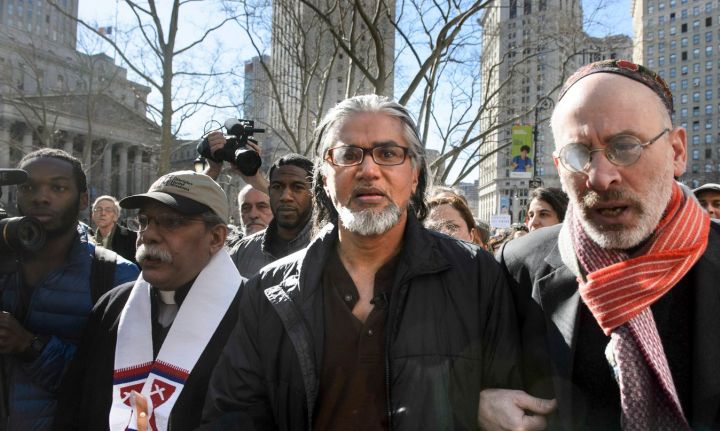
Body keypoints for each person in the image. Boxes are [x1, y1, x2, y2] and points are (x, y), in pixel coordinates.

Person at [202, 95, 552, 430]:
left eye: (387, 153)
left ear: (414, 174)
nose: (368, 170)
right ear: (324, 175)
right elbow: (233, 414)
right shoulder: (268, 290)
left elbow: (506, 405)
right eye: (348, 154)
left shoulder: (476, 276)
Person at [490, 59, 720, 430]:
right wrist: (474, 403)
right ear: (559, 167)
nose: (601, 177)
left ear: (677, 152)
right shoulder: (517, 267)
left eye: (625, 146)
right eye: (578, 154)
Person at [55, 171, 244, 431]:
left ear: (216, 238)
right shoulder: (113, 306)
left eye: (172, 222)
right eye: (144, 221)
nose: (148, 235)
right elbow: (74, 407)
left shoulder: (252, 313)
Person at [0, 148, 139, 430]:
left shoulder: (116, 275)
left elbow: (118, 382)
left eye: (58, 187)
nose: (41, 197)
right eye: (28, 187)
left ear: (83, 199)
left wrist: (30, 346)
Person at [228, 154, 314, 279]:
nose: (285, 196)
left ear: (315, 194)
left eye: (297, 187)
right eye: (277, 187)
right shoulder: (242, 252)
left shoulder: (331, 248)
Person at [92, 195, 139, 263]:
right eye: (98, 209)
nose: (103, 213)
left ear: (116, 216)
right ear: (93, 215)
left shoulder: (131, 238)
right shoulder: (87, 239)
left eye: (108, 210)